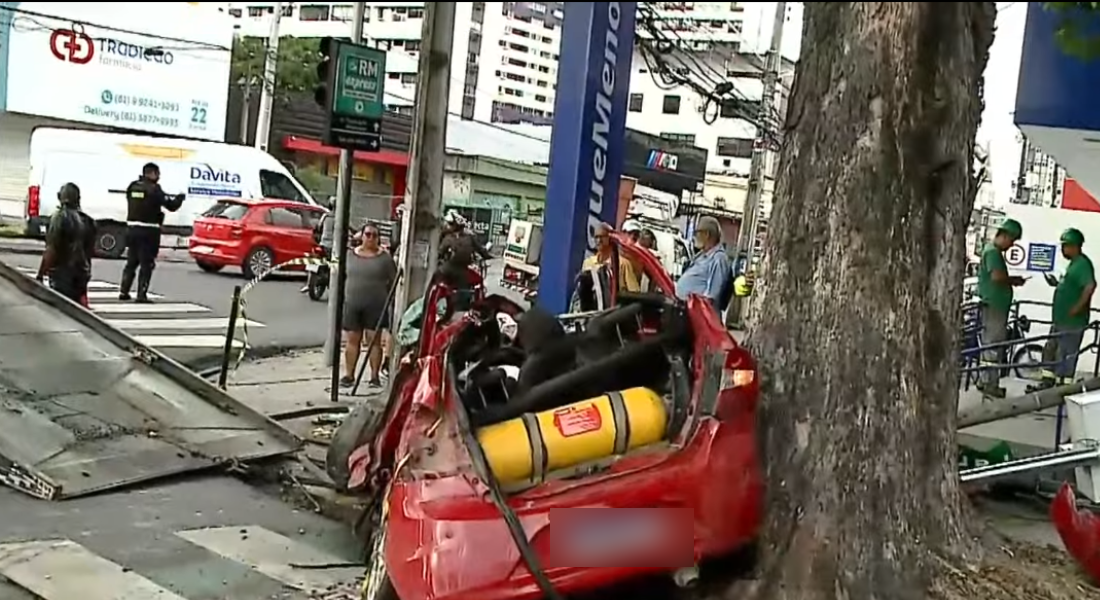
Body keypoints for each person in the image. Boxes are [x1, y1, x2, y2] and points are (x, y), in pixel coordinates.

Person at [1038, 227, 1096, 389]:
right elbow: (1071, 286)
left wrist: (1077, 308)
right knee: (1051, 350)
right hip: (1060, 319)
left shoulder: (1083, 265)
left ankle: (1063, 387)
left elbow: (1090, 286)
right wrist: (1056, 284)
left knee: (1066, 354)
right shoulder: (1073, 265)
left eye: (1066, 246)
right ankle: (1047, 380)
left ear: (1074, 246)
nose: (1063, 249)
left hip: (1072, 321)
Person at [342, 223, 398, 388]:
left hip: (376, 306)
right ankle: (349, 375)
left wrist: (387, 297)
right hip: (353, 304)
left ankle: (374, 377)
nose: (371, 238)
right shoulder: (350, 256)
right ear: (362, 236)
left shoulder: (385, 259)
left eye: (375, 235)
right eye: (368, 234)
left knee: (374, 341)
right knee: (353, 340)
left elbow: (394, 281)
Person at [118, 163, 184, 303]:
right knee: (146, 264)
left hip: (131, 229)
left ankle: (124, 291)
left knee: (131, 262)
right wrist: (179, 199)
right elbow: (171, 206)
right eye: (157, 174)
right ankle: (141, 294)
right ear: (152, 173)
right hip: (148, 231)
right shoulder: (155, 189)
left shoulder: (133, 187)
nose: (158, 177)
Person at [975, 218, 1026, 398]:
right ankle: (990, 384)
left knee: (991, 345)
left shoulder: (992, 252)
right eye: (1011, 240)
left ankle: (986, 380)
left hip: (996, 305)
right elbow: (997, 277)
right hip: (994, 305)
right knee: (993, 345)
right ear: (1003, 236)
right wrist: (1014, 281)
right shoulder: (993, 253)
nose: (1011, 245)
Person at [36, 183, 96, 306]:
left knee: (60, 311)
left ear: (60, 197)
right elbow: (90, 252)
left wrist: (40, 274)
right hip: (82, 274)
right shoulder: (88, 221)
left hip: (62, 274)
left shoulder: (59, 217)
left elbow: (52, 249)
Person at [675, 216, 731, 315]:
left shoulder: (718, 258)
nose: (695, 236)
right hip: (686, 311)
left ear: (707, 234)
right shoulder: (702, 255)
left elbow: (712, 295)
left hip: (699, 315)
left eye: (697, 232)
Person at [438, 210, 491, 293]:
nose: (448, 226)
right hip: (460, 271)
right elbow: (482, 251)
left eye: (450, 224)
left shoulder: (448, 238)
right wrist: (488, 255)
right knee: (465, 290)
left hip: (448, 269)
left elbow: (440, 253)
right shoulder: (469, 237)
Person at [582, 222, 641, 293]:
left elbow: (635, 292)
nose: (598, 241)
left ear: (610, 239)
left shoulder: (623, 264)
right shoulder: (588, 263)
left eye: (602, 237)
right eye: (596, 237)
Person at [302, 197, 337, 294]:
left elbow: (318, 228)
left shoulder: (325, 216)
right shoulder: (340, 218)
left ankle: (308, 284)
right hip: (334, 247)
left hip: (323, 244)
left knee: (313, 262)